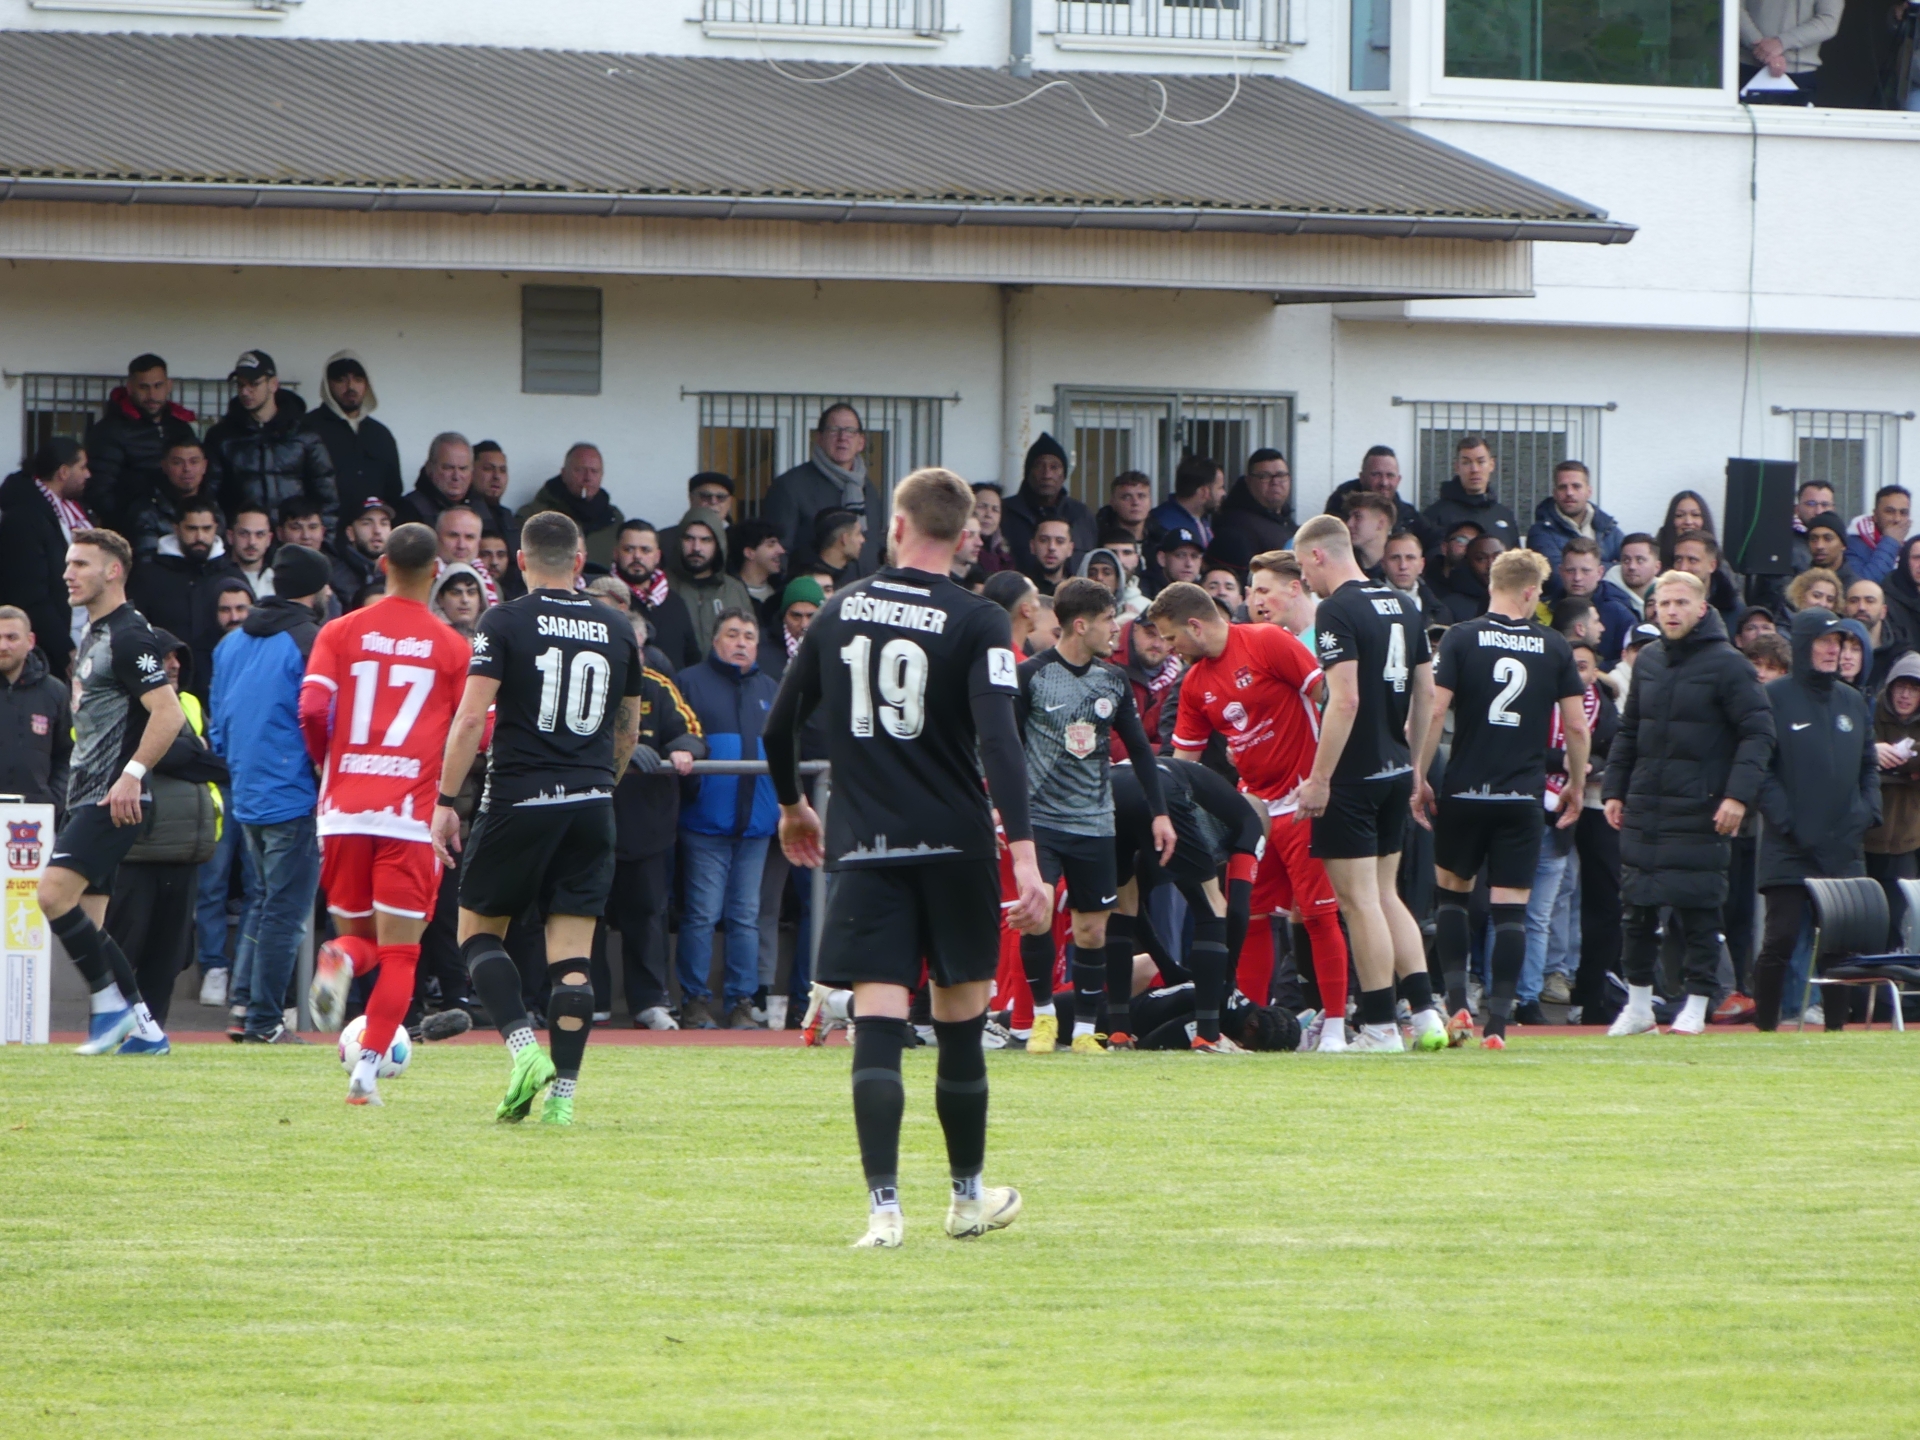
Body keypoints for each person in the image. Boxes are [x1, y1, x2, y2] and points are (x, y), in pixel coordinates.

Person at [766, 466, 1048, 1248]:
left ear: (895, 526)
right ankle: (966, 1200)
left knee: (881, 1023)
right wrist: (1026, 859)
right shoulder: (979, 619)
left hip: (867, 848)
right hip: (957, 845)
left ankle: (883, 1212)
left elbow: (778, 726)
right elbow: (1001, 743)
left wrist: (793, 806)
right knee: (960, 1027)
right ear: (965, 537)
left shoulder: (839, 610)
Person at [430, 510, 644, 1125]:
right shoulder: (617, 625)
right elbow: (627, 731)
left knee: (477, 933)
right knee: (572, 958)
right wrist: (600, 788)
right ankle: (564, 1102)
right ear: (578, 562)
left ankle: (525, 1052)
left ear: (521, 561)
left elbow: (471, 719)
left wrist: (445, 803)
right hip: (591, 803)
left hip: (519, 800)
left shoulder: (503, 620)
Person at [295, 523, 470, 1100]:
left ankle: (338, 954)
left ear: (383, 564)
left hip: (343, 810)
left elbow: (312, 708)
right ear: (436, 572)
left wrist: (328, 763)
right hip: (410, 816)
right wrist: (448, 790)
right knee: (400, 952)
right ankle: (365, 1075)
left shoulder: (340, 630)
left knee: (361, 942)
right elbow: (479, 728)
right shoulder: (453, 647)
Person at [1151, 578, 1356, 1050]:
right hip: (1254, 815)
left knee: (1319, 914)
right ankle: (1250, 1023)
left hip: (1305, 802)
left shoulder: (1268, 642)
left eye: (1171, 637)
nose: (1170, 648)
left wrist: (1328, 777)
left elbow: (1330, 699)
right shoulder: (1194, 683)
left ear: (1195, 626)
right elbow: (1184, 764)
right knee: (1254, 917)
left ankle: (1335, 1027)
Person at [1413, 549, 1588, 1047]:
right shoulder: (1554, 645)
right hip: (1521, 798)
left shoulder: (1461, 636)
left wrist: (1419, 776)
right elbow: (1576, 725)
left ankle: (1457, 1006)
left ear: (1493, 584)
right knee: (1512, 910)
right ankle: (1498, 1026)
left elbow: (1434, 710)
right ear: (1531, 591)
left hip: (1465, 791)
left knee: (1452, 897)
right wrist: (1575, 783)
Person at [1603, 570, 1775, 1037]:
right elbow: (1629, 731)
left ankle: (1698, 1004)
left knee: (1700, 909)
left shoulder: (1730, 665)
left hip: (1702, 808)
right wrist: (1614, 789)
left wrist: (1737, 797)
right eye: (1664, 603)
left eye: (1681, 602)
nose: (1671, 611)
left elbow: (1759, 733)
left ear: (1702, 608)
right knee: (1637, 909)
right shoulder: (1649, 661)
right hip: (1646, 806)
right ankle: (1639, 1006)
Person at [1290, 514, 1438, 1052]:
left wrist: (1320, 778)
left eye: (1303, 566)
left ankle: (1379, 1025)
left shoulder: (1337, 608)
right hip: (1396, 769)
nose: (1304, 579)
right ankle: (1426, 1016)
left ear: (1318, 555)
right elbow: (1426, 694)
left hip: (1352, 775)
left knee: (1359, 903)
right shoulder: (1403, 602)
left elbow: (1345, 699)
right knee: (1385, 894)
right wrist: (1416, 767)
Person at [38, 529, 184, 1055]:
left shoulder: (130, 635)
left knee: (51, 895)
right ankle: (145, 1030)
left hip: (112, 796)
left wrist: (132, 774)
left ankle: (110, 1009)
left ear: (113, 571)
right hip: (87, 794)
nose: (68, 574)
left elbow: (169, 714)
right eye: (68, 564)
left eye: (80, 564)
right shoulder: (96, 633)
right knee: (93, 925)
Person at [1012, 578, 1172, 1054]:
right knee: (1039, 914)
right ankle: (1043, 1019)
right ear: (1080, 625)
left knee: (1093, 928)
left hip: (1096, 821)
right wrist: (1002, 809)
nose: (1116, 630)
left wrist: (1160, 813)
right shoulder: (1032, 675)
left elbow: (1139, 749)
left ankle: (1084, 1031)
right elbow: (1004, 749)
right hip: (1040, 820)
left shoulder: (1113, 680)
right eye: (1107, 620)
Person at [209, 544, 330, 1044]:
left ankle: (243, 1008)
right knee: (284, 909)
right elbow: (322, 715)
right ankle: (263, 1020)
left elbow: (219, 724)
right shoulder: (311, 641)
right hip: (294, 792)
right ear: (317, 589)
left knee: (262, 901)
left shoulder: (230, 643)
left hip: (246, 790)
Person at [1750, 608, 1878, 1031]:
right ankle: (1766, 1026)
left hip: (1843, 844)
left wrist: (1866, 813)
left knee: (1840, 945)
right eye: (1825, 641)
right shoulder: (1774, 696)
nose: (1833, 650)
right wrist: (1789, 822)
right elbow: (1760, 769)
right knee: (1781, 938)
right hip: (1790, 844)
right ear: (1804, 644)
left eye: (1838, 642)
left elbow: (1868, 766)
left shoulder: (1852, 700)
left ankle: (1836, 1028)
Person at [673, 610, 781, 1030]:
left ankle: (741, 1003)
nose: (741, 643)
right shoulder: (690, 682)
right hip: (705, 822)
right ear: (715, 641)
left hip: (756, 826)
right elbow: (677, 734)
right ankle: (695, 1002)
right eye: (732, 634)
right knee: (701, 914)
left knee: (745, 918)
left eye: (749, 636)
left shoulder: (771, 688)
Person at [608, 644, 704, 1030]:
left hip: (648, 826)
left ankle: (649, 1002)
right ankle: (585, 998)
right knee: (582, 914)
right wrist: (621, 751)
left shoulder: (659, 686)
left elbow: (693, 732)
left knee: (647, 915)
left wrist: (682, 749)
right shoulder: (585, 677)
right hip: (590, 821)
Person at [207, 350, 337, 540]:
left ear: (273, 384)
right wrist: (225, 541)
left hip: (294, 541)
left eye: (254, 384)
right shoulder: (221, 437)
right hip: (245, 543)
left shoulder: (305, 435)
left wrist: (323, 544)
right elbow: (210, 499)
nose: (245, 391)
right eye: (241, 385)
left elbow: (327, 499)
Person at [126, 497, 243, 703]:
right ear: (176, 528)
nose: (199, 537)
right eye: (192, 529)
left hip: (223, 686)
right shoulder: (149, 577)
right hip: (165, 688)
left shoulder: (231, 575)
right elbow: (135, 633)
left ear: (216, 528)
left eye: (206, 529)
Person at [0, 437, 92, 679]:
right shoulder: (25, 519)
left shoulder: (70, 510)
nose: (88, 474)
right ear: (63, 472)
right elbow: (30, 593)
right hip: (48, 654)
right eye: (82, 467)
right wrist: (64, 649)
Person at [764, 404, 888, 576]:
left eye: (850, 431)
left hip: (864, 590)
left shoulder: (868, 488)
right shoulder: (790, 486)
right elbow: (778, 553)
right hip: (815, 590)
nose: (842, 437)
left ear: (861, 442)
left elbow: (875, 544)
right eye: (834, 430)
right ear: (819, 438)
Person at [81, 354, 199, 535]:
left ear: (169, 385)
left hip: (181, 527)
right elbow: (98, 491)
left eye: (158, 386)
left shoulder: (181, 427)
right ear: (129, 388)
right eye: (144, 387)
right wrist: (130, 524)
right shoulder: (109, 431)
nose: (152, 395)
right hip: (132, 531)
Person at [299, 350, 403, 520]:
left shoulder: (380, 434)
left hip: (372, 532)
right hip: (324, 530)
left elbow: (393, 492)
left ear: (367, 385)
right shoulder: (307, 428)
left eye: (358, 379)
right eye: (341, 380)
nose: (351, 387)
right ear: (327, 384)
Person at [1865, 654, 1920, 948]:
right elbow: (1858, 754)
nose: (1905, 695)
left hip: (1907, 841)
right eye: (1901, 687)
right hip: (1868, 837)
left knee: (1896, 924)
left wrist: (1896, 764)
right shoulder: (1871, 713)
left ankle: (1891, 977)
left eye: (1914, 689)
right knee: (1865, 921)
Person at [0, 605, 72, 811]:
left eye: (12, 637)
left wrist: (53, 799)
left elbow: (67, 752)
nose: (3, 646)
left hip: (35, 817)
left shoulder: (54, 692)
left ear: (30, 641)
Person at [516, 443, 624, 572]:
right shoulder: (533, 516)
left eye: (594, 471)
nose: (588, 478)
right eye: (580, 470)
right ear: (564, 473)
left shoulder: (614, 519)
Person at [664, 505, 754, 659]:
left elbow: (750, 642)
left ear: (718, 544)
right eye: (689, 539)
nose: (696, 548)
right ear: (679, 541)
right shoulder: (661, 586)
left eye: (705, 540)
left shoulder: (734, 590)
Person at [612, 520, 699, 671]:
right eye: (629, 549)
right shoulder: (604, 599)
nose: (637, 556)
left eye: (645, 550)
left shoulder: (675, 603)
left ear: (657, 556)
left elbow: (692, 661)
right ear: (616, 553)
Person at [1001, 433, 1096, 564]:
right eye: (1039, 466)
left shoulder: (1081, 515)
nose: (1047, 474)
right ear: (1028, 472)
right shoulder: (1005, 512)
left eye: (1054, 467)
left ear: (1064, 475)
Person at [1421, 435, 1519, 553]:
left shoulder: (1504, 515)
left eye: (1481, 462)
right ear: (1457, 467)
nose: (1474, 469)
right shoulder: (1436, 516)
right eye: (1466, 462)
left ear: (1491, 465)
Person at [127, 439, 218, 562]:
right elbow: (146, 562)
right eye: (177, 463)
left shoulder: (214, 505)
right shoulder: (147, 511)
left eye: (194, 462)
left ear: (204, 466)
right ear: (164, 466)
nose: (187, 469)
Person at [1555, 536, 1637, 666]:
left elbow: (1632, 660)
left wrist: (1591, 670)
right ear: (1560, 571)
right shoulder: (1547, 607)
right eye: (1570, 571)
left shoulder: (1619, 612)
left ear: (1600, 572)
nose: (1577, 578)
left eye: (1585, 571)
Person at [1526, 460, 1623, 570]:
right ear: (1555, 493)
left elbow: (1632, 569)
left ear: (1589, 491)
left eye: (1576, 486)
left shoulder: (1608, 528)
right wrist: (1614, 568)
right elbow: (1557, 575)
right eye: (1563, 487)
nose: (1569, 493)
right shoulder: (1541, 532)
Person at [1210, 449, 1298, 569]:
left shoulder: (1286, 520)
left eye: (1281, 475)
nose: (1275, 482)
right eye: (1264, 476)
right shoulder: (1235, 525)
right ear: (1249, 481)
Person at [1323, 446, 1427, 546]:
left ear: (1398, 480)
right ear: (1362, 478)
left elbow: (1433, 543)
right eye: (1376, 474)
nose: (1384, 483)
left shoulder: (1409, 516)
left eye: (1390, 475)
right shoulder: (1338, 511)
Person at [1739, 0, 1844, 98]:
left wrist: (1781, 43)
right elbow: (1734, 8)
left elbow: (1828, 21)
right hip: (1748, 64)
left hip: (1800, 72)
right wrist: (1758, 46)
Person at [1845, 579, 1913, 696]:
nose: (1861, 607)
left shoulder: (1899, 657)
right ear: (1845, 609)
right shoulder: (1833, 651)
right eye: (1854, 601)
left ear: (1883, 611)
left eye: (1870, 601)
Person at [1148, 455, 1224, 556]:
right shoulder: (1162, 526)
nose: (1223, 493)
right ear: (1204, 491)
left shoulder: (1201, 519)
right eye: (1220, 488)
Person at [329, 498, 393, 608]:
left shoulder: (400, 572)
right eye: (366, 523)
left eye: (384, 523)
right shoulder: (335, 575)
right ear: (350, 533)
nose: (377, 530)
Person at [1845, 484, 1913, 585]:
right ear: (1875, 515)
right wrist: (1890, 541)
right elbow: (1864, 585)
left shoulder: (1909, 548)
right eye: (1889, 512)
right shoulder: (1852, 544)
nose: (1897, 519)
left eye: (1903, 513)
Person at [729, 517, 788, 632]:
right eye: (771, 544)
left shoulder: (782, 591)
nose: (781, 550)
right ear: (749, 553)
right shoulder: (730, 593)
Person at [1381, 529, 1445, 630]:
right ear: (1383, 564)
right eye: (1395, 558)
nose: (1403, 566)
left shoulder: (1439, 611)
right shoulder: (1365, 604)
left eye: (1410, 558)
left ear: (1421, 565)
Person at [468, 441, 521, 560]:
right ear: (471, 472)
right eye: (488, 469)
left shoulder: (508, 517)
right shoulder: (463, 516)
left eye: (502, 470)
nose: (497, 476)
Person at [1440, 532, 1504, 624]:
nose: (1491, 565)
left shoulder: (1521, 599)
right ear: (1468, 562)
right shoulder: (1450, 606)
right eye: (1481, 558)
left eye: (1498, 557)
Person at [1095, 471, 1155, 551]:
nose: (1135, 502)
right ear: (1113, 503)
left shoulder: (1161, 542)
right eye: (1127, 497)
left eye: (1141, 496)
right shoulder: (1097, 541)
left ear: (1150, 502)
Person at [813, 508, 870, 591]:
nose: (862, 540)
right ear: (845, 539)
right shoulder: (811, 581)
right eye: (858, 534)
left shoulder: (856, 577)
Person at [1606, 533, 1662, 618]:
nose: (1632, 566)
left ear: (1657, 567)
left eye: (1640, 560)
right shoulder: (1606, 598)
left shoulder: (1669, 597)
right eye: (1626, 560)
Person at [1342, 490, 1396, 575]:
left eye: (1358, 517)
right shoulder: (1343, 565)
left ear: (1381, 523)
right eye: (1350, 517)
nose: (1349, 524)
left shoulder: (1400, 569)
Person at [225, 506, 274, 598]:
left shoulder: (280, 579)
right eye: (244, 533)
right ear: (230, 537)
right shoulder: (213, 579)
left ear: (269, 539)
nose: (252, 542)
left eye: (260, 534)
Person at [970, 483, 1018, 575]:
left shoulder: (1005, 558)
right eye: (982, 506)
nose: (989, 514)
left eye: (995, 510)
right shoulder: (959, 552)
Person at [1025, 516, 1074, 596]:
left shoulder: (1078, 591)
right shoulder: (1020, 589)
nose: (1051, 547)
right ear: (1032, 546)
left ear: (1070, 549)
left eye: (1060, 541)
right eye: (1044, 540)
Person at [1156, 524, 1206, 589]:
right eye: (1180, 555)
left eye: (1194, 556)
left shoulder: (1204, 590)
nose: (1189, 564)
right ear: (1162, 559)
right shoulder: (1146, 589)